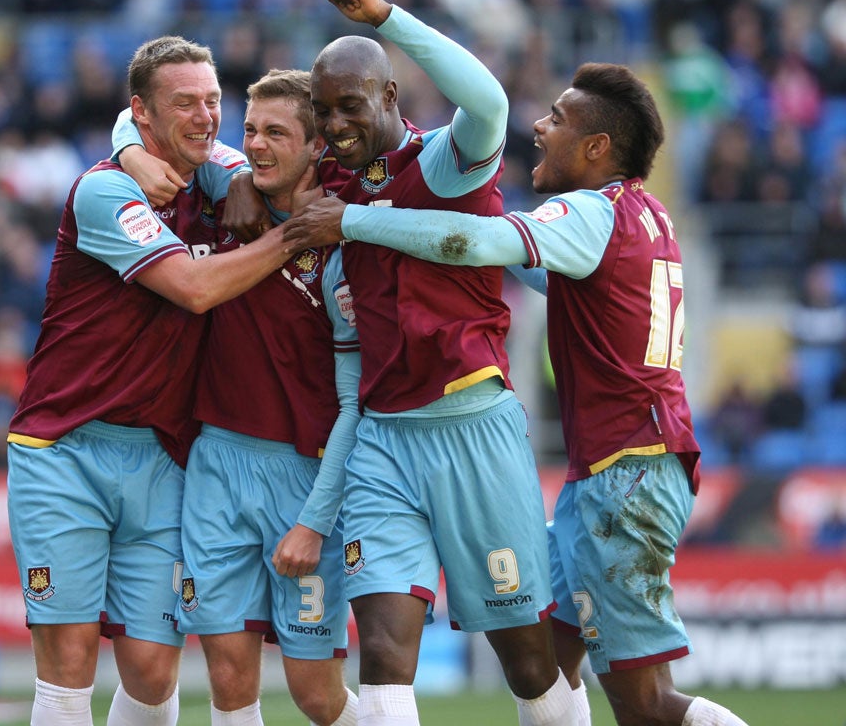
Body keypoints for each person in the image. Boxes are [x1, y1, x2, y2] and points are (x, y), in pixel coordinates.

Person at [283, 62, 750, 726]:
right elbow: (514, 264)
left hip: (627, 477)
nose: (541, 126)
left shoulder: (588, 209)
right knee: (546, 667)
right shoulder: (642, 215)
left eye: (558, 119)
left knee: (646, 707)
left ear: (597, 149)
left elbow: (482, 241)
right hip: (620, 469)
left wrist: (361, 221)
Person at [248, 0, 574, 726]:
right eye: (323, 111)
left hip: (471, 428)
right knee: (386, 661)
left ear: (390, 96)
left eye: (350, 106)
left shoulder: (445, 166)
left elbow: (489, 101)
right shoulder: (331, 176)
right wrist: (238, 182)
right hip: (383, 442)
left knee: (530, 667)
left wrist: (389, 17)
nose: (334, 126)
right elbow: (262, 158)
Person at [5, 35, 291, 726]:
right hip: (65, 450)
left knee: (155, 670)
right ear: (141, 112)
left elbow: (258, 161)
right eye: (185, 103)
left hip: (163, 455)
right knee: (69, 664)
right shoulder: (107, 188)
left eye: (214, 101)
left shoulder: (218, 174)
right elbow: (193, 289)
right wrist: (295, 237)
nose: (205, 116)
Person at [112, 69, 361, 726]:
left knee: (315, 694)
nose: (254, 146)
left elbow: (355, 403)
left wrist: (315, 519)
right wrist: (134, 153)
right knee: (226, 673)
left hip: (303, 477)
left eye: (276, 133)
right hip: (216, 464)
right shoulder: (226, 187)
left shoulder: (343, 242)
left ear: (317, 148)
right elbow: (136, 120)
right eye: (249, 130)